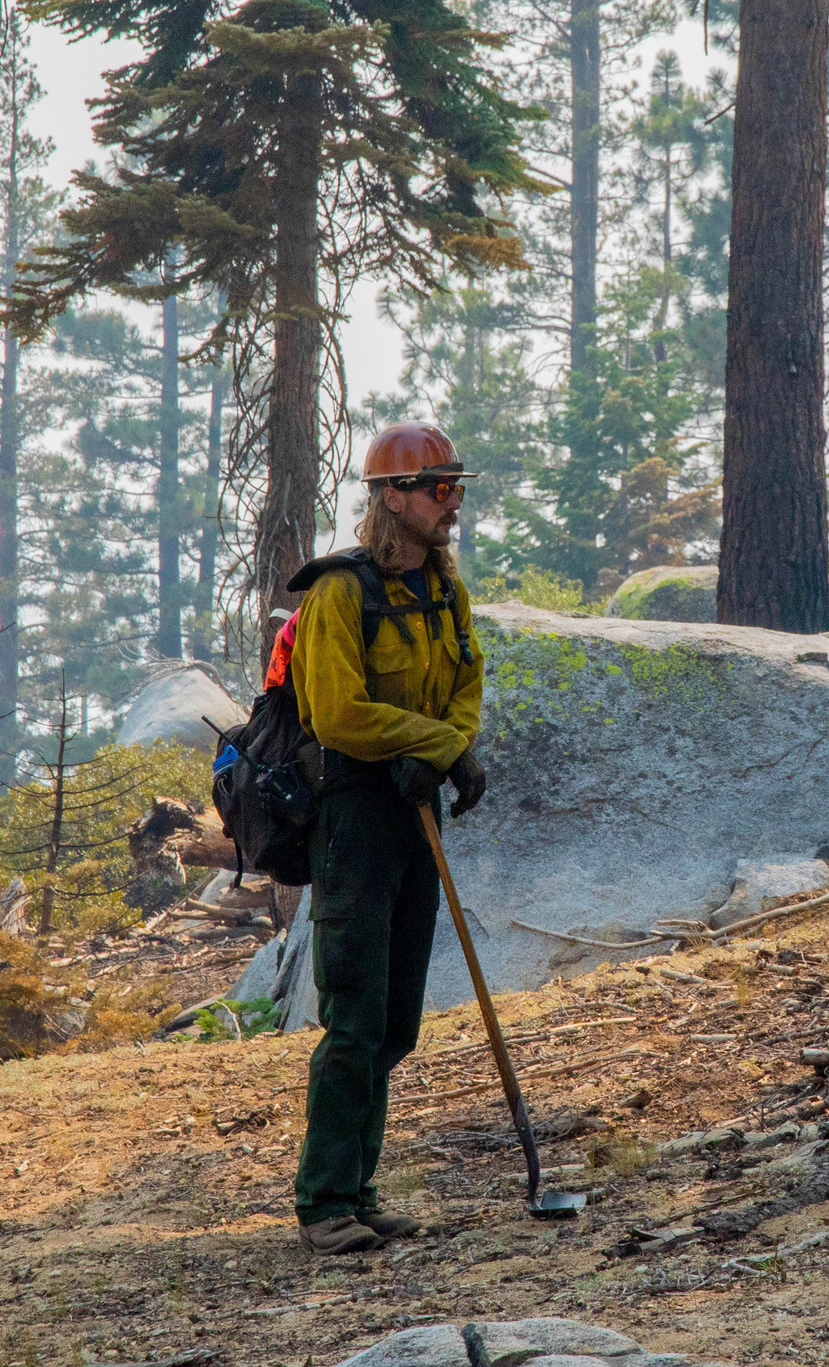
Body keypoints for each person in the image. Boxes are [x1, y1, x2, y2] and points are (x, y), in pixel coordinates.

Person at [287, 421, 488, 1254]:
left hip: (415, 811)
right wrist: (436, 746)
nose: (452, 504)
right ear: (391, 499)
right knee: (356, 1014)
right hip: (357, 816)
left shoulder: (445, 587)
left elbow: (468, 677)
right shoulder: (340, 593)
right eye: (439, 489)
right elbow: (337, 715)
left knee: (399, 1018)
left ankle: (361, 1189)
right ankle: (326, 1200)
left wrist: (454, 746)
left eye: (456, 488)